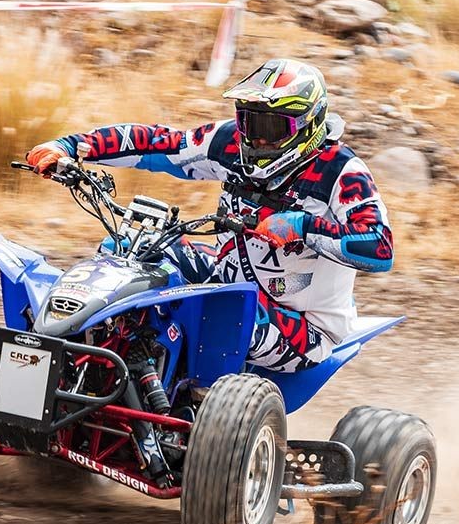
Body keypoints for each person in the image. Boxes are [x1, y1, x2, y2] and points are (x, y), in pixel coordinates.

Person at [25, 58, 393, 373]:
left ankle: (198, 407)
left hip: (303, 327)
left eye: (269, 127)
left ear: (307, 125)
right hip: (225, 279)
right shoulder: (229, 142)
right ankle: (88, 364)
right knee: (128, 249)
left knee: (226, 307)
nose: (256, 139)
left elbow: (380, 247)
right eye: (249, 122)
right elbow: (159, 143)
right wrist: (71, 147)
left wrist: (304, 227)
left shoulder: (341, 172)